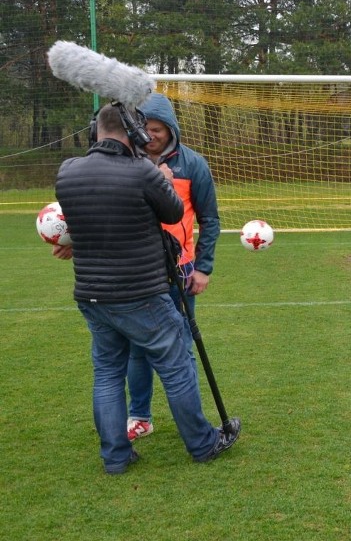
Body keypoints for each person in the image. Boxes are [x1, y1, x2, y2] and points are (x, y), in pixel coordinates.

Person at [54, 104, 239, 474]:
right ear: (133, 133)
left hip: (91, 295)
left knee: (107, 372)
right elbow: (171, 213)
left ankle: (116, 457)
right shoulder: (143, 171)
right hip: (140, 292)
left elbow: (84, 217)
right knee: (176, 365)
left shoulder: (67, 171)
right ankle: (203, 444)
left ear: (95, 131)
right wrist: (165, 181)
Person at [125, 93, 221, 442]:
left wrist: (204, 268)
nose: (151, 136)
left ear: (170, 128)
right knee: (139, 348)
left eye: (157, 129)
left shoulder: (193, 164)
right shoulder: (128, 161)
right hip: (137, 271)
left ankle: (193, 420)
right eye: (145, 129)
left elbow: (210, 219)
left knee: (182, 344)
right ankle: (139, 416)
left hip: (180, 271)